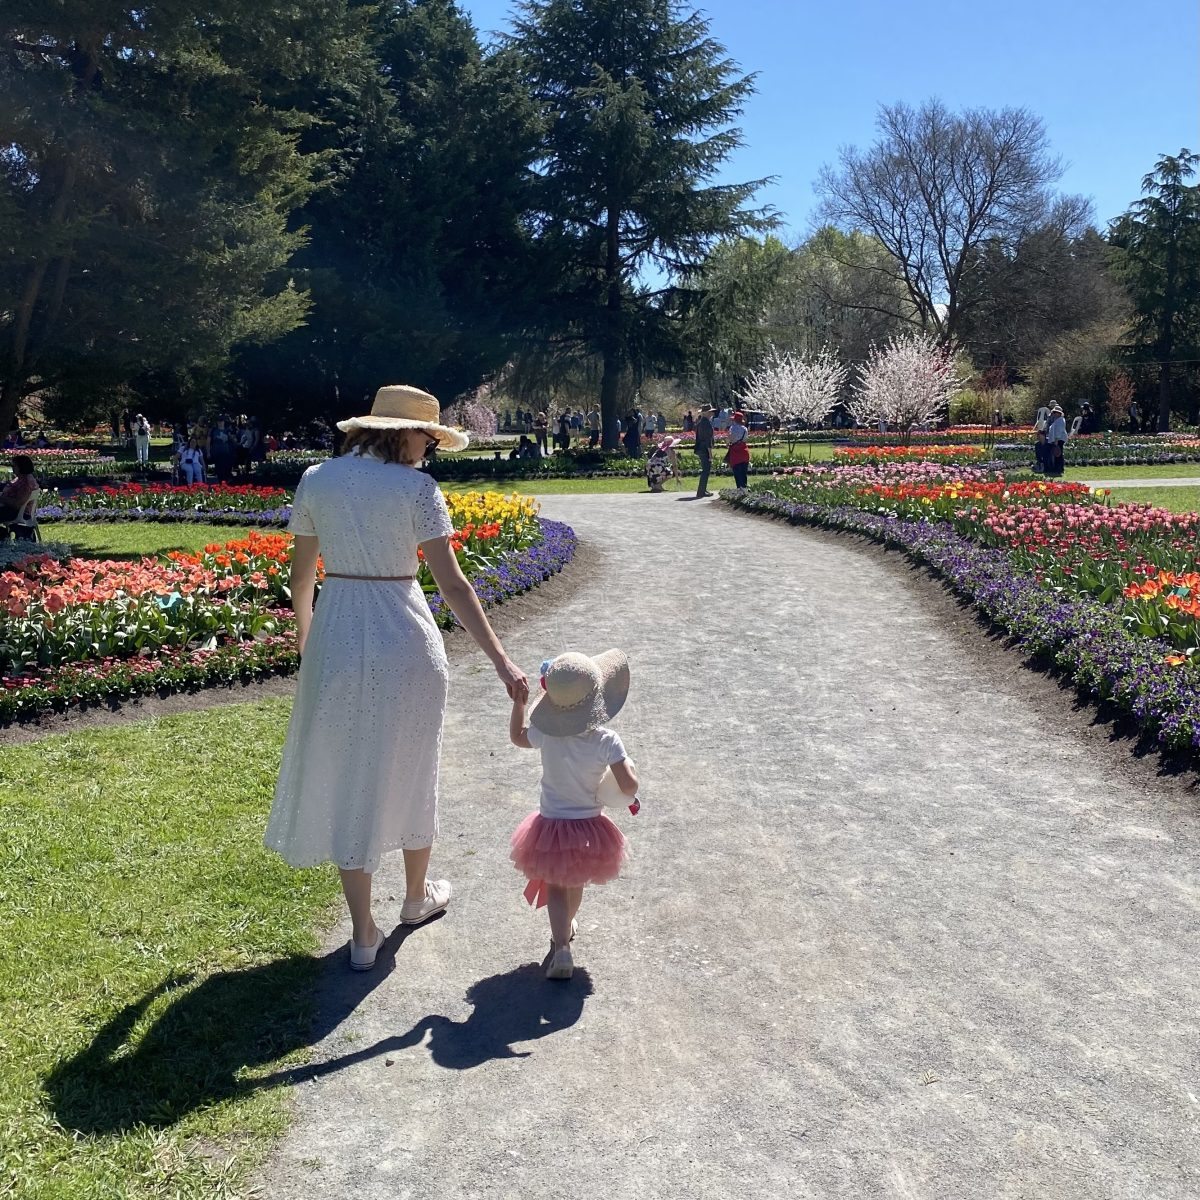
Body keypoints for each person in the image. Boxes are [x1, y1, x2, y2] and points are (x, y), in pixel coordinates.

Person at [265, 384, 529, 972]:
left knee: (349, 769)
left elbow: (301, 574)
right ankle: (414, 898)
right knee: (413, 762)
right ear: (398, 431)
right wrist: (501, 660)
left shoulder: (317, 478)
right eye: (426, 438)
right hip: (404, 635)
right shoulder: (416, 489)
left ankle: (363, 931)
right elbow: (454, 587)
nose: (429, 450)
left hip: (338, 633)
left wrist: (309, 639)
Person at [508, 650, 638, 980]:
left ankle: (561, 945)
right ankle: (566, 928)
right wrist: (631, 775)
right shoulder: (607, 740)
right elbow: (628, 785)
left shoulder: (546, 734)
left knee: (555, 886)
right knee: (576, 879)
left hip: (550, 826)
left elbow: (517, 737)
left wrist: (519, 704)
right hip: (589, 828)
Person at [0, 455, 38, 530]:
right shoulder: (22, 478)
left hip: (16, 512)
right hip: (12, 510)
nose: (12, 468)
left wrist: (1, 499)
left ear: (21, 467)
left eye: (14, 466)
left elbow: (17, 504)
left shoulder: (26, 482)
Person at [694, 403, 714, 498]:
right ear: (705, 413)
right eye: (710, 412)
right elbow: (708, 440)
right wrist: (710, 454)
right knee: (706, 470)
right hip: (704, 449)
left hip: (700, 448)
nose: (711, 414)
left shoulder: (701, 422)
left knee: (705, 470)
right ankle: (701, 491)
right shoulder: (706, 423)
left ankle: (702, 489)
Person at [727, 410, 750, 489]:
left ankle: (739, 489)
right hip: (744, 451)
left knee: (737, 473)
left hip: (735, 452)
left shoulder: (732, 428)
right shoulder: (745, 429)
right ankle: (744, 489)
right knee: (744, 474)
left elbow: (729, 439)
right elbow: (745, 439)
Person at [1046, 404, 1067, 476]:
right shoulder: (1057, 420)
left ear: (1059, 413)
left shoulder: (1060, 421)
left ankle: (1059, 468)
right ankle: (1057, 468)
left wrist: (1056, 441)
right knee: (1057, 454)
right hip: (1057, 439)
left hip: (1058, 439)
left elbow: (1058, 431)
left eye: (1055, 412)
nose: (1054, 414)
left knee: (1058, 454)